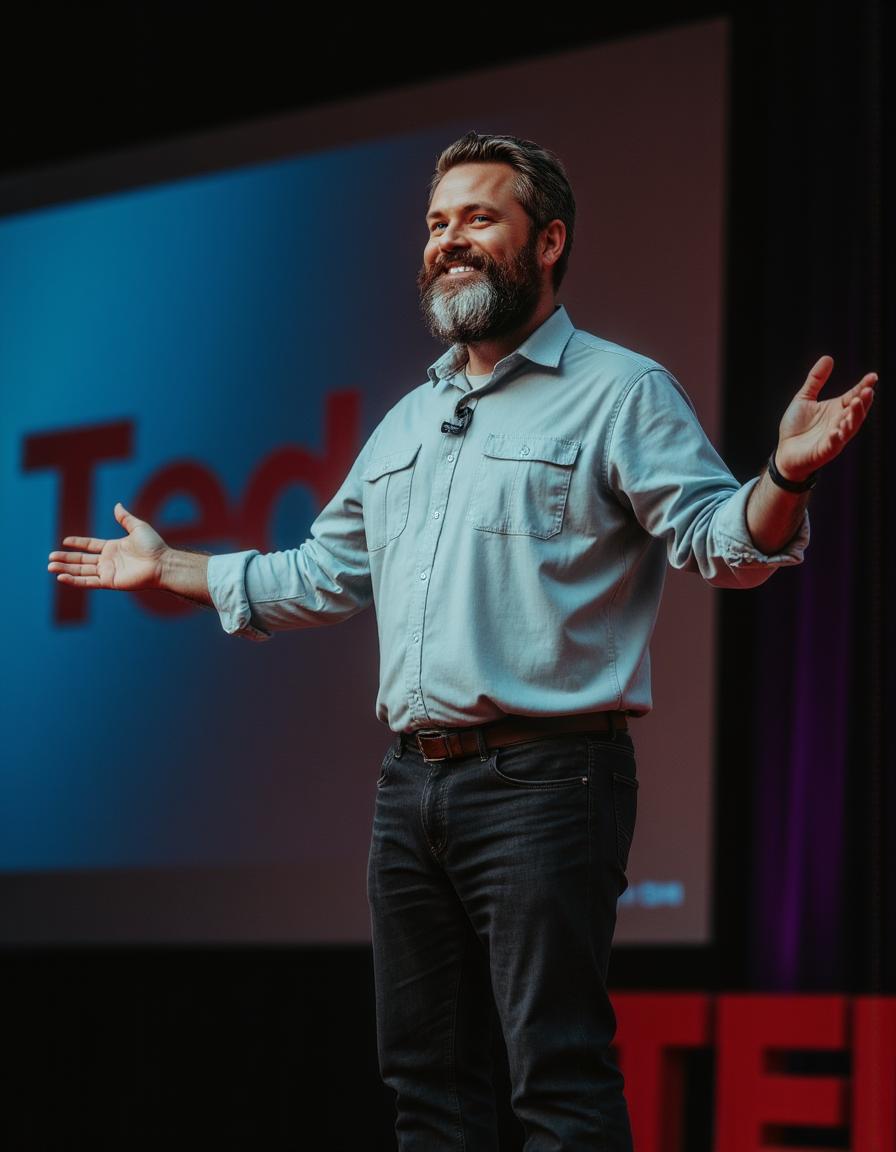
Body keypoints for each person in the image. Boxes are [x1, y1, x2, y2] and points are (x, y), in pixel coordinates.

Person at [47, 132, 876, 1151]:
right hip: (410, 792)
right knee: (425, 1090)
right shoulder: (403, 423)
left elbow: (723, 549)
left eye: (478, 218)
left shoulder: (618, 390)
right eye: (436, 224)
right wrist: (171, 568)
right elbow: (319, 576)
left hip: (546, 783)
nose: (449, 241)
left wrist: (781, 478)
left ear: (549, 241)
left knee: (556, 1080)